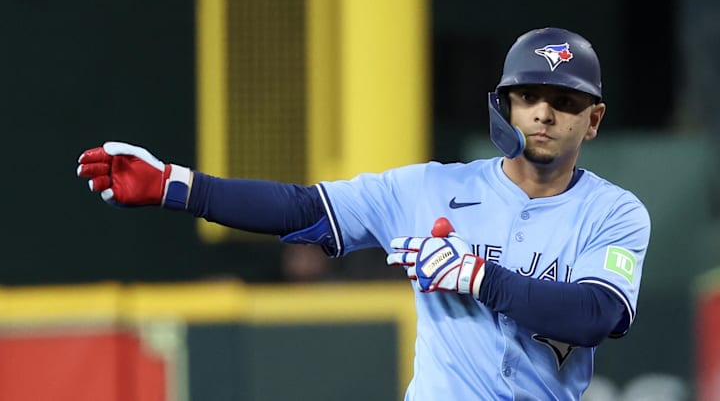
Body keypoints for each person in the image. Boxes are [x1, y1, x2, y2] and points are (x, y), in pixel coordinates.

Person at [76, 27, 651, 400]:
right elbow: (304, 209)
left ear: (593, 120)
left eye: (565, 101)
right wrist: (178, 186)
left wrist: (476, 274)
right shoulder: (429, 189)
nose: (545, 114)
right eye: (530, 96)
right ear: (506, 104)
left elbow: (597, 314)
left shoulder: (614, 212)